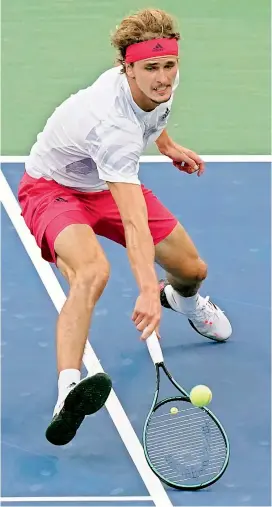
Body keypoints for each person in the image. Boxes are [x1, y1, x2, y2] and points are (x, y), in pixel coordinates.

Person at [18, 8, 232, 446]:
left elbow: (155, 115)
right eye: (150, 68)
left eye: (169, 65)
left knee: (193, 270)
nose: (162, 78)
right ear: (126, 67)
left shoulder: (163, 83)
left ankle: (185, 303)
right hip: (53, 189)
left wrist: (167, 145)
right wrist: (144, 291)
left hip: (103, 181)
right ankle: (68, 391)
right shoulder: (111, 126)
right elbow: (134, 226)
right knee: (91, 272)